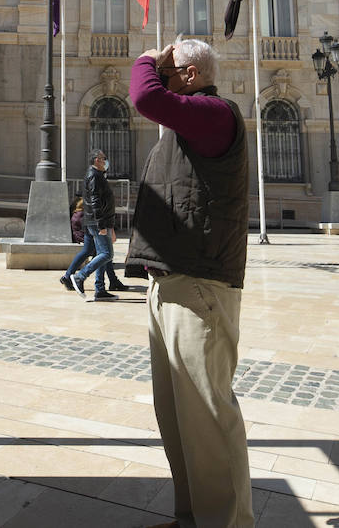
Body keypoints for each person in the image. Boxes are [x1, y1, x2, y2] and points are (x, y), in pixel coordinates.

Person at [125, 38, 254, 528]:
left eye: (168, 68)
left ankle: (227, 523)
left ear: (191, 74)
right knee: (179, 420)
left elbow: (143, 97)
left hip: (200, 286)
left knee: (207, 416)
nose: (160, 73)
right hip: (169, 282)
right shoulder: (185, 128)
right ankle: (193, 517)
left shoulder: (215, 114)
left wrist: (145, 61)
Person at [71, 149, 126, 301]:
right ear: (96, 160)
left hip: (99, 221)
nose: (106, 161)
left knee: (102, 255)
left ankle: (100, 289)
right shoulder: (94, 176)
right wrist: (101, 224)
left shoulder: (97, 175)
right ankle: (80, 277)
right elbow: (95, 201)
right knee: (107, 254)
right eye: (103, 159)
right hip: (98, 222)